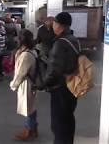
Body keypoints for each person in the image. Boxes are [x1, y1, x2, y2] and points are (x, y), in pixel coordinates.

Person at [38, 12, 79, 144]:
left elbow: (54, 70)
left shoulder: (60, 43)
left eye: (54, 22)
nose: (52, 25)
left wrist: (42, 84)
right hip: (71, 86)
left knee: (59, 125)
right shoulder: (73, 39)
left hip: (60, 88)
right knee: (68, 120)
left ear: (59, 25)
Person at [10, 29, 38, 141]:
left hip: (26, 84)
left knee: (28, 108)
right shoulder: (30, 51)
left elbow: (21, 73)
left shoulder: (26, 55)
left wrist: (13, 85)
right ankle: (33, 127)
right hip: (29, 83)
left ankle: (28, 131)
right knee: (31, 107)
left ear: (21, 39)